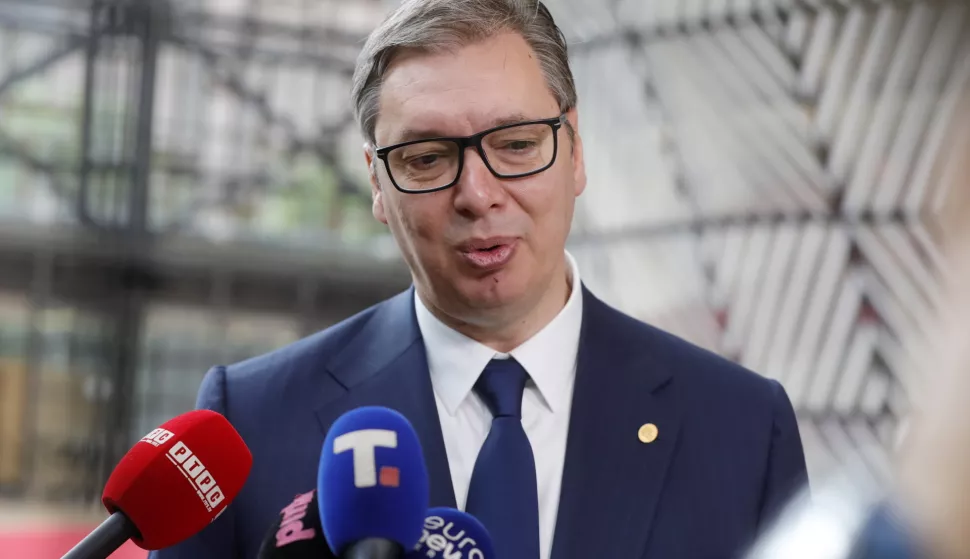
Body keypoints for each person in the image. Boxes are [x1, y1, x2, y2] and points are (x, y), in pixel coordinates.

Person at [149, 1, 808, 558]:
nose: (478, 193)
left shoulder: (743, 429)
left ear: (575, 150)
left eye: (517, 143)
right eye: (428, 157)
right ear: (378, 183)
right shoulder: (249, 423)